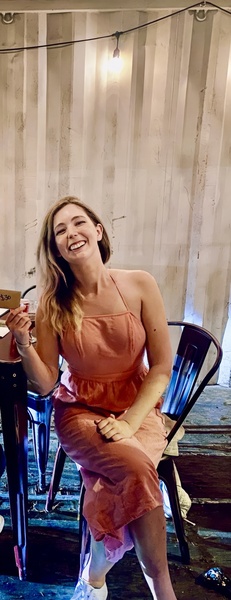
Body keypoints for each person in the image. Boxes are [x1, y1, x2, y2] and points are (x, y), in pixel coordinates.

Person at [6, 196, 177, 600]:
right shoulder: (52, 301)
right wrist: (23, 342)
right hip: (80, 410)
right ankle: (165, 593)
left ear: (98, 231)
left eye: (78, 223)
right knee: (137, 469)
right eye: (59, 231)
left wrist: (130, 422)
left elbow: (162, 367)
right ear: (56, 249)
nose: (71, 234)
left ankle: (94, 574)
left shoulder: (140, 283)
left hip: (136, 407)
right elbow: (47, 384)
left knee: (117, 484)